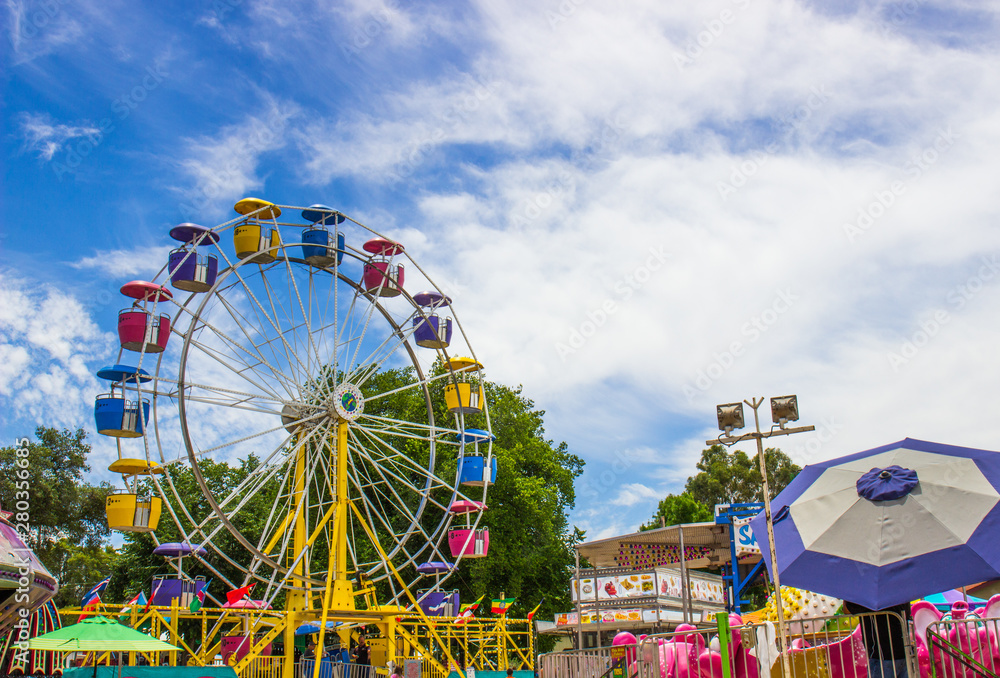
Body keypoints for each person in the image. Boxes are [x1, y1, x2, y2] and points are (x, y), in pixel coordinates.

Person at [843, 600, 911, 678]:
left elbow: (847, 609)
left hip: (882, 655)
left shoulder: (871, 595)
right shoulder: (901, 592)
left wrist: (846, 595)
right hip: (904, 652)